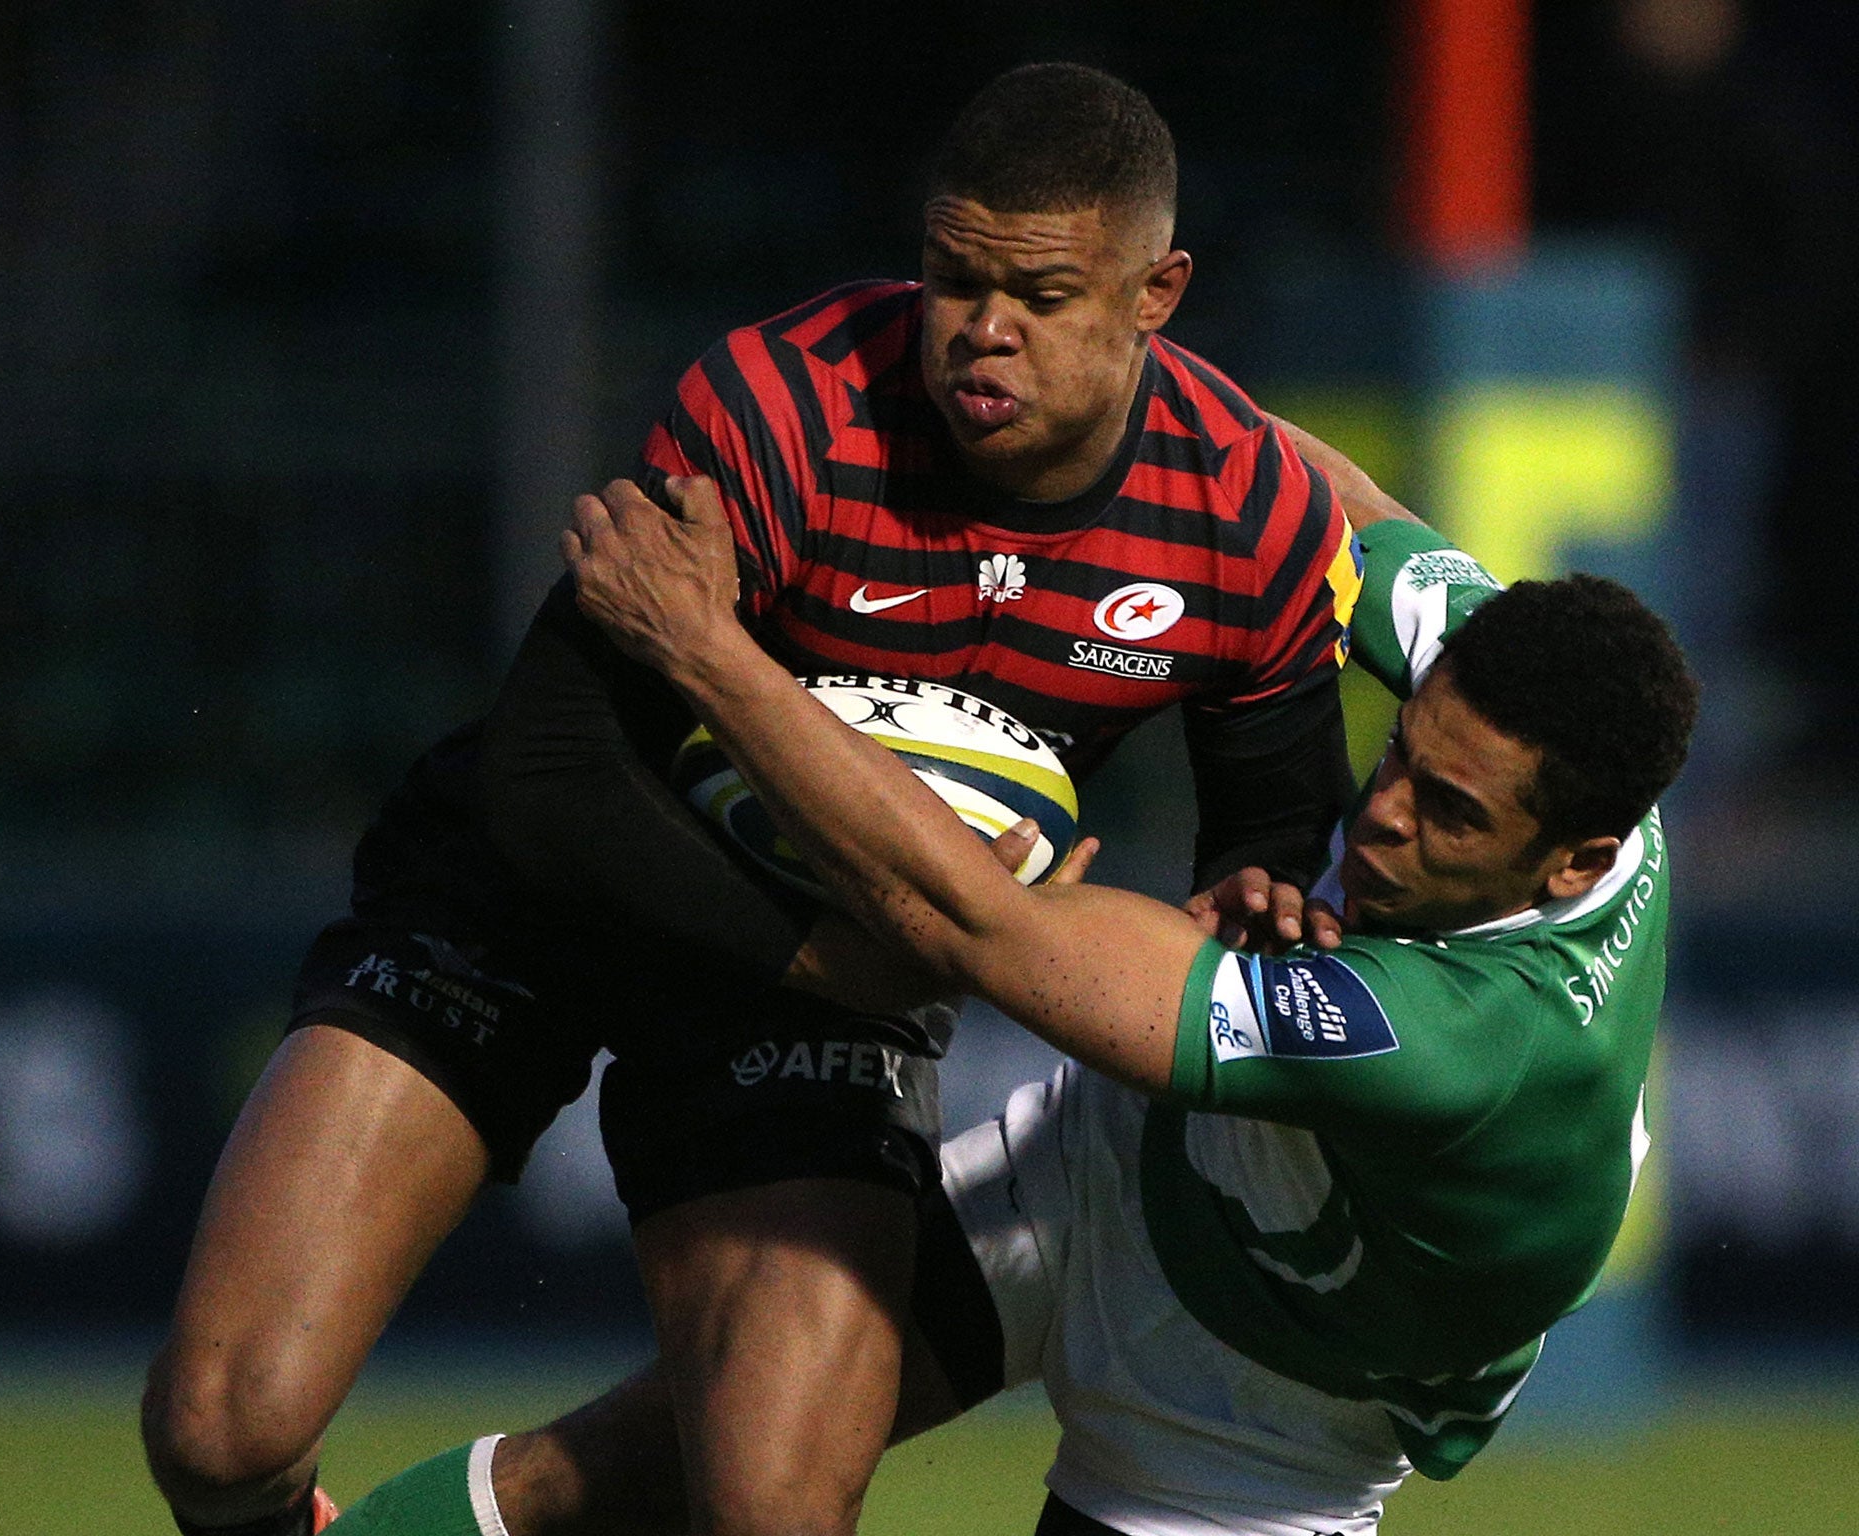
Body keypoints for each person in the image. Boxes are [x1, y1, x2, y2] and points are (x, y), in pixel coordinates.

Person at [140, 63, 1365, 1536]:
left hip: (822, 974)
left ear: (1157, 290)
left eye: (1040, 296)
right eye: (952, 276)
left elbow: (1273, 842)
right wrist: (844, 956)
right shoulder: (790, 403)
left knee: (778, 1503)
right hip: (552, 891)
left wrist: (1219, 909)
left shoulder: (1251, 513)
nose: (981, 331)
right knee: (219, 1432)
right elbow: (547, 771)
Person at [318, 430, 1697, 1535]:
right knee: (659, 1465)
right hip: (1106, 1170)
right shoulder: (1529, 705)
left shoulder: (1485, 1038)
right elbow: (1294, 484)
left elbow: (985, 935)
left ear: (1577, 860)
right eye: (1397, 754)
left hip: (1259, 1414)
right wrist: (1119, 382)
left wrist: (708, 653)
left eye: (1447, 812)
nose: (1385, 814)